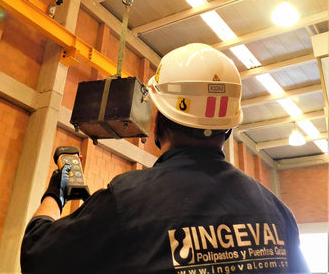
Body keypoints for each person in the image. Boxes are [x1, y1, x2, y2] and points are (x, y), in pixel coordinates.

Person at [21, 43, 309, 274]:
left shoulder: (126, 201)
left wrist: (55, 193)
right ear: (229, 126)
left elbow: (37, 256)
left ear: (158, 117)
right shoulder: (278, 212)